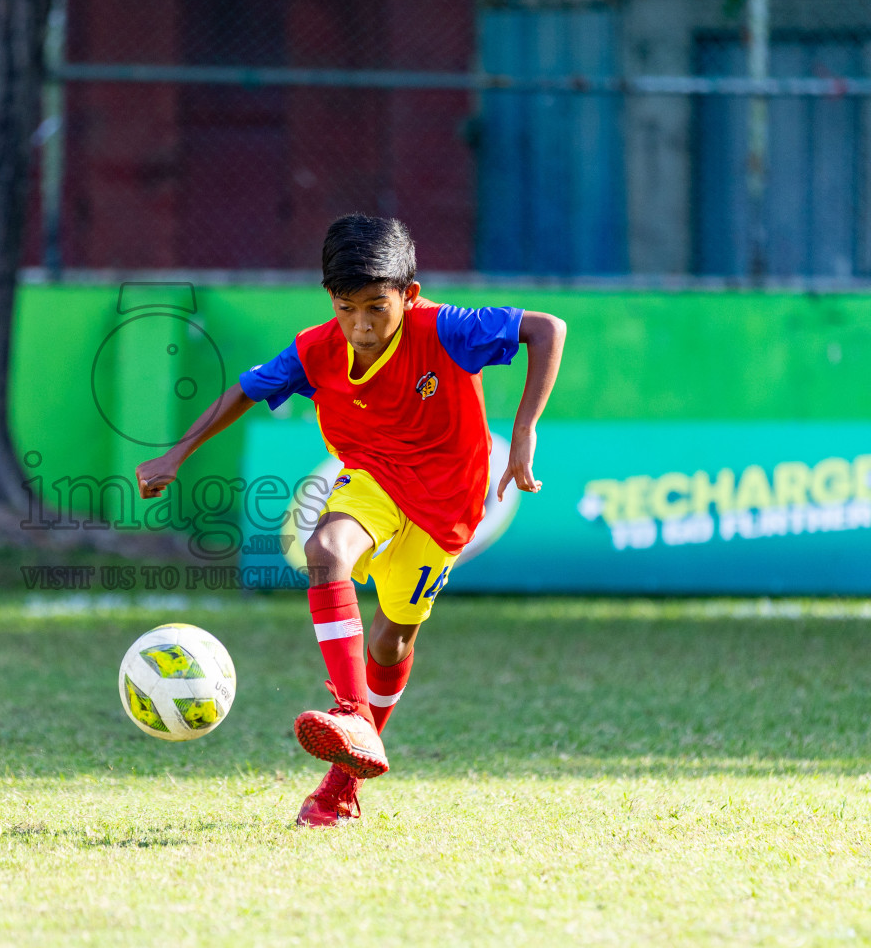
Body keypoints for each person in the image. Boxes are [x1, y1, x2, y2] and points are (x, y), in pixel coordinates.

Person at [135, 214, 566, 826]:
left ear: (407, 296)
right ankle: (352, 714)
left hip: (446, 506)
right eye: (346, 308)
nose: (360, 326)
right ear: (330, 301)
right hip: (372, 477)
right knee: (327, 550)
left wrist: (523, 431)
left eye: (375, 308)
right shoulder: (318, 349)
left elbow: (548, 329)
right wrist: (177, 453)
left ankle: (341, 786)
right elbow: (247, 388)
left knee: (393, 639)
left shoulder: (445, 328)